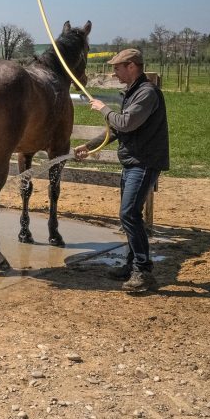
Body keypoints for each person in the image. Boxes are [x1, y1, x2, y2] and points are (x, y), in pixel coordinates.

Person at [74, 48, 169, 293]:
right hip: (133, 161)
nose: (114, 73)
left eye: (117, 68)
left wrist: (104, 109)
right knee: (128, 215)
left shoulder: (146, 93)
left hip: (144, 162)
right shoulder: (134, 92)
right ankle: (131, 265)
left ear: (132, 66)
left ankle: (143, 271)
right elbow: (120, 130)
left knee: (129, 215)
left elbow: (126, 122)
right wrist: (90, 146)